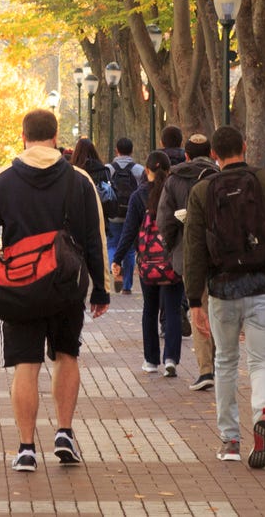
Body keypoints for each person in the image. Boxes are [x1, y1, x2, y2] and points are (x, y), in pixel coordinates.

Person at [0, 108, 110, 473]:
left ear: (23, 136)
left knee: (26, 364)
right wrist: (100, 289)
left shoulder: (2, 180)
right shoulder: (79, 180)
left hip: (20, 288)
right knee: (67, 355)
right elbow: (95, 238)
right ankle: (64, 432)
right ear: (55, 137)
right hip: (66, 284)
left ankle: (25, 447)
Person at [183, 125, 265, 469]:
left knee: (225, 361)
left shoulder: (202, 191)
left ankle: (230, 440)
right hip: (263, 287)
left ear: (216, 156)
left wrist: (195, 300)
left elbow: (194, 249)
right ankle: (263, 413)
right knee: (261, 362)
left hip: (222, 290)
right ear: (246, 147)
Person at [109, 150, 184, 376]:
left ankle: (151, 360)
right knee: (172, 309)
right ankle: (171, 358)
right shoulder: (176, 194)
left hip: (148, 262)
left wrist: (118, 258)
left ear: (147, 170)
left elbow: (129, 231)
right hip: (172, 260)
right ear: (169, 170)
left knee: (149, 309)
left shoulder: (138, 196)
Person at [157, 132, 218, 391]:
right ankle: (220, 364)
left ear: (187, 154)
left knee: (198, 306)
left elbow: (165, 219)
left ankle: (206, 369)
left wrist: (171, 248)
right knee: (219, 308)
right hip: (220, 253)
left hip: (188, 252)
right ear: (212, 153)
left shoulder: (174, 179)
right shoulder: (220, 176)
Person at [104, 138, 141, 293]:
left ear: (116, 150)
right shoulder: (139, 169)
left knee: (112, 244)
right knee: (130, 250)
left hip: (113, 213)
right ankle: (127, 286)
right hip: (131, 215)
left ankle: (115, 269)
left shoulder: (108, 169)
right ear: (131, 151)